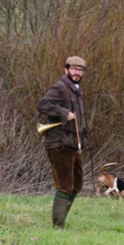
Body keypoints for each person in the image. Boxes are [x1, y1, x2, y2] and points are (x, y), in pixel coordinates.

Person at [36, 56, 88, 229]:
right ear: (66, 69)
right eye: (74, 69)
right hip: (59, 144)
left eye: (80, 70)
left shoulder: (76, 90)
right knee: (65, 186)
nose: (77, 73)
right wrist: (63, 113)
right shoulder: (60, 87)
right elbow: (42, 104)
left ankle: (61, 221)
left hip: (73, 145)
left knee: (76, 185)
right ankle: (58, 227)